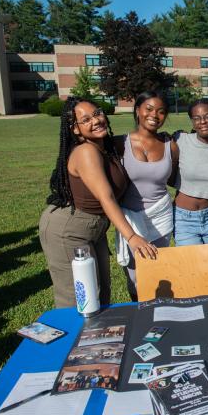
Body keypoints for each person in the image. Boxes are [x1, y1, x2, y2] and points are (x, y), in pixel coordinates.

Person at [39, 97, 157, 309]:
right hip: (68, 230)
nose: (96, 121)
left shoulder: (105, 147)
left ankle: (98, 341)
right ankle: (74, 340)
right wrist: (132, 237)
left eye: (97, 113)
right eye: (86, 120)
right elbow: (106, 197)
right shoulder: (86, 152)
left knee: (101, 294)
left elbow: (138, 140)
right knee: (78, 298)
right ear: (74, 129)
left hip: (95, 228)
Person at [115, 91, 177, 301]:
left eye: (161, 111)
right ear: (137, 111)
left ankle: (160, 315)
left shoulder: (171, 145)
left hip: (161, 216)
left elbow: (174, 178)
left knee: (158, 270)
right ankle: (138, 314)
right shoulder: (119, 144)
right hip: (131, 219)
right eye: (149, 109)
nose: (154, 115)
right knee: (135, 276)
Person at [172, 98, 208, 246]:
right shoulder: (180, 140)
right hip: (184, 219)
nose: (202, 121)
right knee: (191, 266)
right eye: (196, 118)